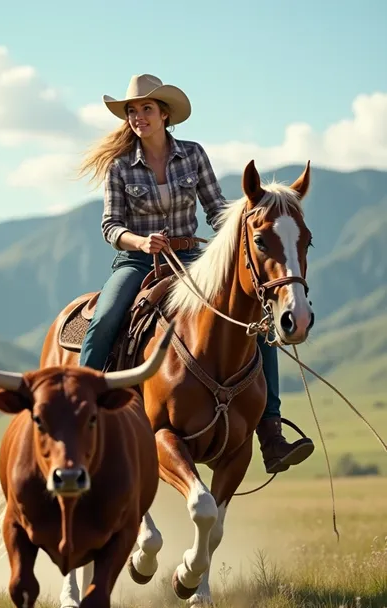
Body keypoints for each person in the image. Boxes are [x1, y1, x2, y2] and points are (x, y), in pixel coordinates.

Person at [76, 73, 315, 474]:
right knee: (105, 318)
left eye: (146, 109)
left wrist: (241, 230)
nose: (138, 117)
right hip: (138, 262)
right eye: (132, 111)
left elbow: (217, 210)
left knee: (257, 326)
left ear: (165, 114)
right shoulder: (119, 167)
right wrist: (140, 242)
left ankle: (270, 433)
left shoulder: (194, 155)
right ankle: (82, 412)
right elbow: (110, 227)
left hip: (192, 259)